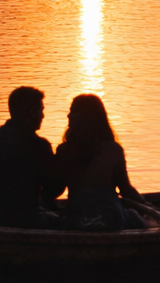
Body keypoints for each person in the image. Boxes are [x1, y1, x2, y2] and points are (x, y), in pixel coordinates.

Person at [54, 94, 149, 231]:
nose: (68, 115)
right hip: (110, 219)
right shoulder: (114, 149)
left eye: (73, 112)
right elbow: (126, 190)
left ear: (85, 117)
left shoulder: (63, 151)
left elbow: (57, 187)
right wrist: (145, 205)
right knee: (136, 217)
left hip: (74, 220)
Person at [0, 86, 62, 228]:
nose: (43, 116)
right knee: (65, 222)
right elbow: (55, 189)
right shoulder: (38, 145)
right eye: (41, 111)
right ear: (32, 113)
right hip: (24, 221)